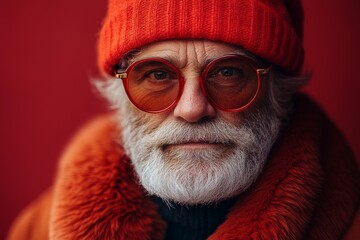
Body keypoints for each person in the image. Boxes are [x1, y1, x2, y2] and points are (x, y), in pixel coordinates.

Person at [7, 0, 360, 239]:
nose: (192, 109)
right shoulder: (35, 230)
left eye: (227, 73)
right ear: (118, 94)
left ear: (278, 93)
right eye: (158, 76)